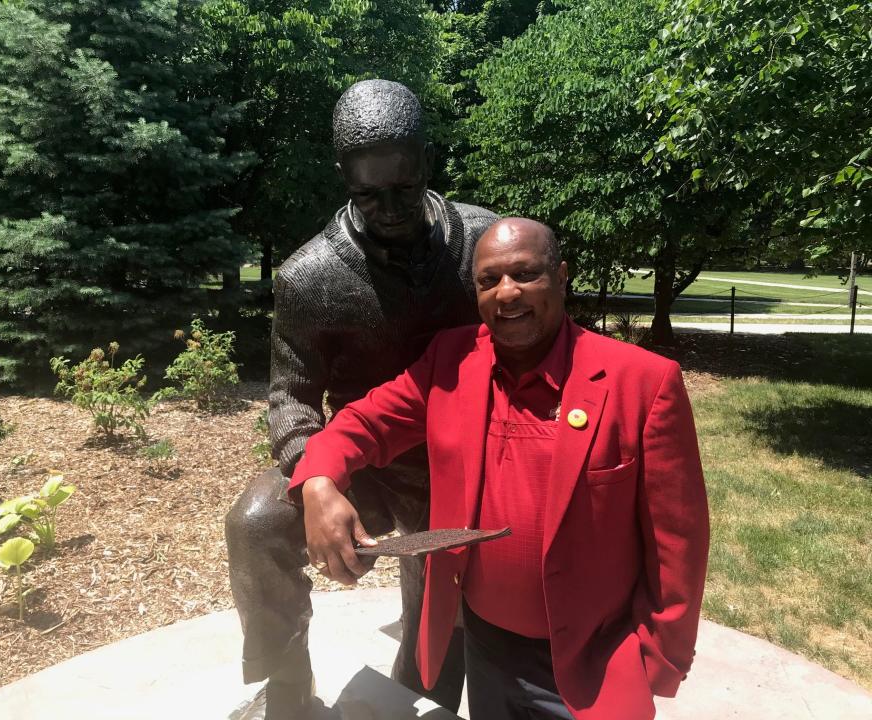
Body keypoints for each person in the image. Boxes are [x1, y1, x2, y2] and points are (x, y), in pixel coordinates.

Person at [292, 218, 710, 720]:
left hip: (593, 664)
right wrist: (318, 480)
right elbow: (364, 422)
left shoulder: (642, 382)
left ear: (561, 275)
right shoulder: (452, 361)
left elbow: (678, 543)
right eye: (488, 281)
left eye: (525, 274)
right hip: (485, 650)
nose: (506, 293)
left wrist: (656, 661)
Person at [224, 79, 497, 719]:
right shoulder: (309, 276)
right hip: (360, 463)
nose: (391, 208)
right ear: (343, 178)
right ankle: (286, 686)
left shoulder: (485, 247)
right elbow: (290, 398)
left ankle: (422, 690)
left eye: (403, 188)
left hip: (462, 459)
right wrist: (318, 479)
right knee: (256, 522)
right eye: (368, 195)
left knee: (436, 614)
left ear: (426, 163)